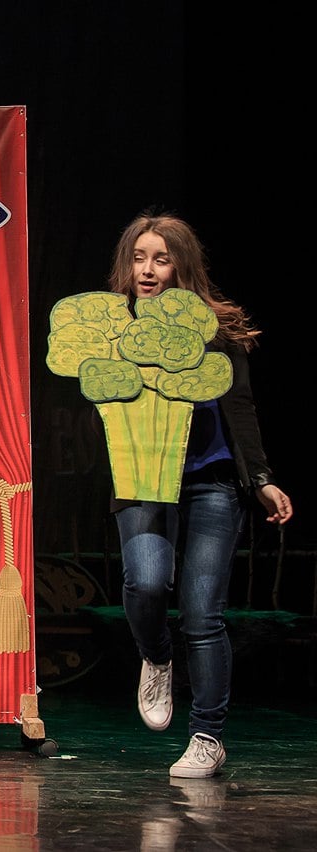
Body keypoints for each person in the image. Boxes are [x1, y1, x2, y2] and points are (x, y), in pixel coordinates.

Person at [108, 212, 293, 778]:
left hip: (211, 480)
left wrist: (261, 478)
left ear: (181, 266)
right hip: (143, 479)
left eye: (161, 259)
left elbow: (240, 408)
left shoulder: (215, 331)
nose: (147, 270)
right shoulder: (111, 329)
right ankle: (157, 656)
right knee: (145, 584)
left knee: (201, 612)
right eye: (139, 257)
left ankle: (207, 735)